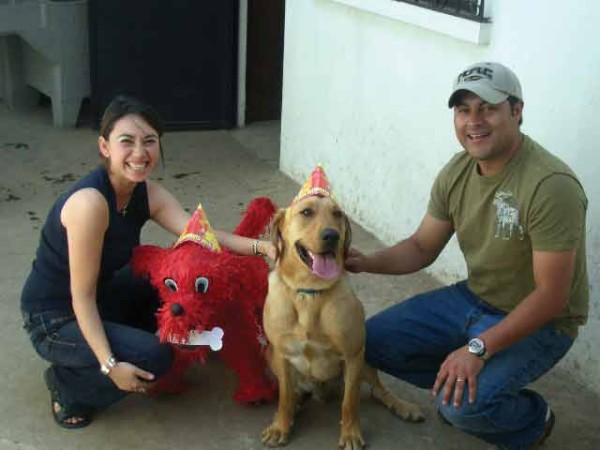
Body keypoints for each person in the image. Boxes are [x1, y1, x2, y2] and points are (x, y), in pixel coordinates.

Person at [346, 62, 588, 449]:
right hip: (475, 299)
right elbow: (422, 247)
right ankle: (460, 385)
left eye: (488, 107)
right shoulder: (457, 171)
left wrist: (478, 347)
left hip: (544, 321)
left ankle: (530, 419)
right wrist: (365, 261)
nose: (474, 121)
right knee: (369, 340)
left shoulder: (550, 185)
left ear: (517, 110)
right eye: (463, 110)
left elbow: (551, 297)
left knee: (461, 409)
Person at [20, 95, 276, 429]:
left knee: (168, 285)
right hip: (54, 317)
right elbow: (80, 298)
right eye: (126, 141)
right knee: (155, 358)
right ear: (104, 146)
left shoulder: (146, 193)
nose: (139, 153)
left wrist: (263, 248)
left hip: (104, 294)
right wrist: (110, 364)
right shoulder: (89, 205)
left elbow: (201, 235)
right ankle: (68, 385)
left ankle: (113, 344)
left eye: (149, 141)